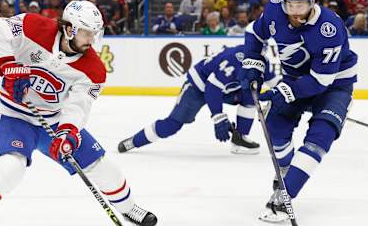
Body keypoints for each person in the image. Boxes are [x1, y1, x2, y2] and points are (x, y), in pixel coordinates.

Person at [0, 0, 158, 226]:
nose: (92, 39)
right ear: (70, 29)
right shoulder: (33, 26)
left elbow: (78, 106)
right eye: (87, 32)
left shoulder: (94, 68)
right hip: (15, 116)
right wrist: (8, 65)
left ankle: (129, 208)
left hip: (53, 122)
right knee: (11, 166)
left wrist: (68, 133)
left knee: (104, 168)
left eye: (94, 33)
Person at [238, 0, 358, 222]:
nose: (293, 10)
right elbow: (254, 32)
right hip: (295, 77)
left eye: (300, 4)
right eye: (289, 3)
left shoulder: (329, 28)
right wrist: (252, 64)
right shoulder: (274, 10)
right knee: (274, 128)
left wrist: (284, 91)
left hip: (334, 84)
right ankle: (286, 169)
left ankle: (286, 194)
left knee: (320, 137)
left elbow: (321, 80)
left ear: (312, 1)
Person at [117, 44, 278, 155]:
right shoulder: (233, 60)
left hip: (226, 89)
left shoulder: (263, 63)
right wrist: (218, 116)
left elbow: (276, 84)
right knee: (173, 124)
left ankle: (239, 138)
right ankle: (134, 141)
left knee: (251, 94)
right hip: (198, 87)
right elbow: (212, 89)